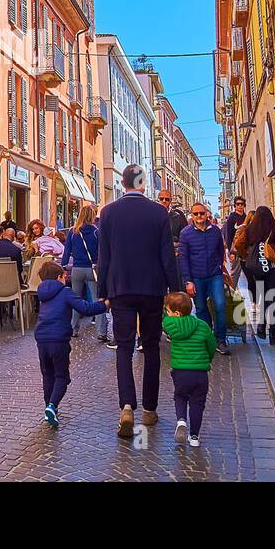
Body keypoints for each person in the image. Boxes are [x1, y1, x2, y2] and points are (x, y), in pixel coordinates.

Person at [96, 163, 180, 438]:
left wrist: (102, 291)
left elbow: (104, 256)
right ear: (143, 184)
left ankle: (127, 406)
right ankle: (150, 409)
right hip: (152, 288)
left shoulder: (108, 213)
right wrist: (175, 289)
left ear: (122, 184)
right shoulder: (159, 212)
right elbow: (167, 254)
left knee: (124, 347)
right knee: (152, 347)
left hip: (120, 288)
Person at [34, 261, 107, 426]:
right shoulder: (65, 292)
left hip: (42, 339)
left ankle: (49, 408)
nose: (66, 277)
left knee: (47, 375)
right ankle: (52, 406)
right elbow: (86, 309)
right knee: (62, 376)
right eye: (64, 275)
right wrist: (104, 304)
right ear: (59, 277)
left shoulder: (42, 293)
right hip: (58, 339)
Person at [162, 291, 216, 447]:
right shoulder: (203, 325)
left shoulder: (170, 325)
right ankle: (194, 437)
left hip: (180, 371)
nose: (167, 313)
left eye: (168, 311)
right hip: (200, 373)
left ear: (176, 313)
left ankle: (181, 421)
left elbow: (163, 320)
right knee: (197, 404)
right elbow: (211, 346)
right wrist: (207, 360)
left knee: (180, 396)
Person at [178, 202, 230, 355]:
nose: (199, 216)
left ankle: (220, 339)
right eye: (196, 214)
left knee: (220, 306)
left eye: (202, 213)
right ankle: (208, 338)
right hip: (196, 277)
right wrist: (188, 281)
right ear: (192, 216)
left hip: (215, 275)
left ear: (207, 213)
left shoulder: (215, 231)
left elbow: (221, 251)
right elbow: (184, 258)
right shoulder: (185, 233)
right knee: (201, 308)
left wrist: (219, 268)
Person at [240, 206, 275, 344]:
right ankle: (273, 334)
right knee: (273, 299)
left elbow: (238, 243)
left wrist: (248, 256)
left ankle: (262, 325)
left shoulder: (250, 230)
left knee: (264, 297)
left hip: (258, 268)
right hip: (273, 267)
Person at [64, 205, 105, 340]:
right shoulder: (96, 231)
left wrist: (64, 267)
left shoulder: (72, 232)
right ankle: (101, 331)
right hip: (92, 269)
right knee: (96, 300)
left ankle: (73, 328)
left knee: (76, 300)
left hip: (76, 269)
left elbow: (66, 252)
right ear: (92, 215)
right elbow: (101, 251)